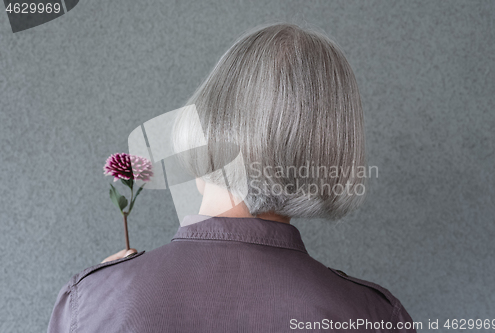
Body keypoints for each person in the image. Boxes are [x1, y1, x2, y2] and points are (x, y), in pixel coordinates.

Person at [47, 22, 417, 332]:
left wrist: (104, 291)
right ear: (330, 150)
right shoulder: (373, 316)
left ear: (204, 125)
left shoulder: (92, 301)